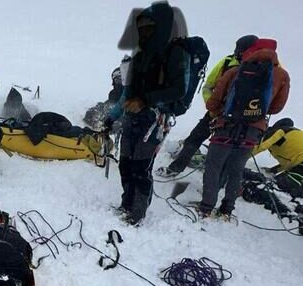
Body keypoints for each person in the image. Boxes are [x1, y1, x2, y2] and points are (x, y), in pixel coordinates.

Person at [104, 2, 190, 225]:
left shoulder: (175, 53)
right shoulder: (140, 53)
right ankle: (127, 203)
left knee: (141, 167)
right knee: (125, 164)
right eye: (141, 26)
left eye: (149, 25)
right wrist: (112, 117)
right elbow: (127, 93)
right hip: (132, 119)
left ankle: (137, 212)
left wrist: (145, 101)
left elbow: (178, 90)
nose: (143, 30)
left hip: (154, 121)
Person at [199, 38, 290, 218]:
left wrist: (221, 113)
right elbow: (277, 107)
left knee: (214, 166)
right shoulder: (281, 76)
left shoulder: (236, 70)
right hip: (253, 131)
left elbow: (213, 101)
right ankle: (226, 210)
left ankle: (206, 208)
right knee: (236, 169)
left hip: (226, 125)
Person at [156, 35, 259, 177]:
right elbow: (208, 86)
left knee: (225, 150)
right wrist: (213, 107)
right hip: (217, 113)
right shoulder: (228, 62)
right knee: (194, 139)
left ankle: (218, 184)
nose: (238, 52)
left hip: (241, 119)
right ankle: (176, 168)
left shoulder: (264, 69)